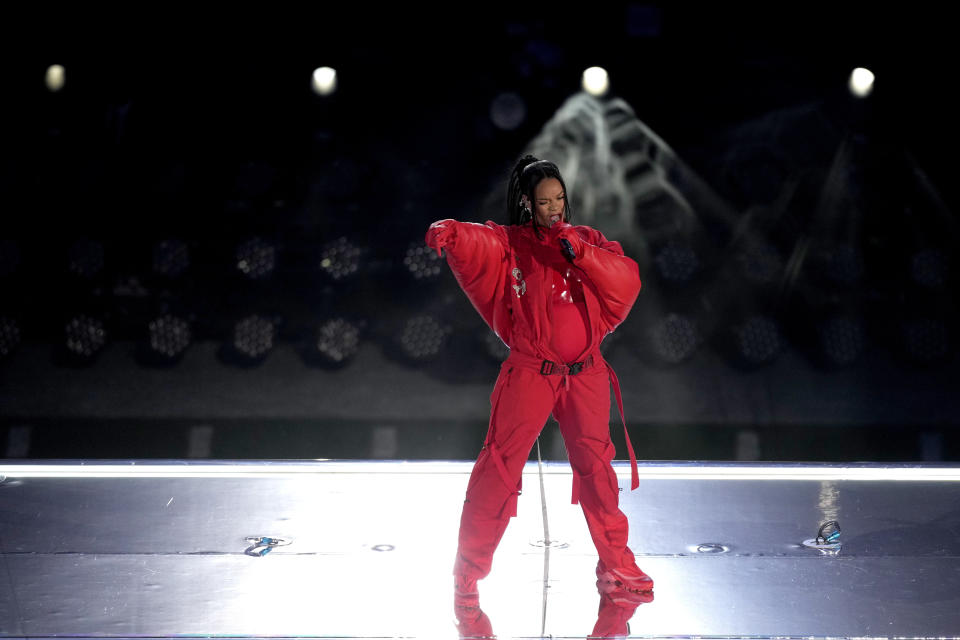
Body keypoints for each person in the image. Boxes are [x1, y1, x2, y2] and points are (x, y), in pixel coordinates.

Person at [425, 155, 652, 618]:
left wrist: (580, 250)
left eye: (560, 200)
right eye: (545, 201)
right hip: (532, 371)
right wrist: (454, 231)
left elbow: (626, 279)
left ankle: (616, 566)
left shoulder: (585, 240)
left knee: (597, 472)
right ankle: (466, 572)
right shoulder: (512, 244)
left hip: (585, 373)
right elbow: (481, 241)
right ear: (528, 204)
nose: (555, 209)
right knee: (499, 468)